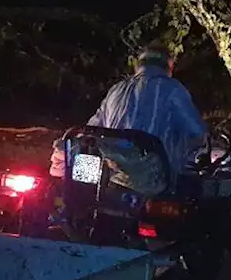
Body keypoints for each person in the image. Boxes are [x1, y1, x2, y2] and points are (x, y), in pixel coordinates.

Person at [50, 42, 209, 183]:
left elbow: (92, 127)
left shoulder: (116, 89)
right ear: (169, 66)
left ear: (138, 65)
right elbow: (197, 132)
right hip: (152, 179)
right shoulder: (172, 88)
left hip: (112, 175)